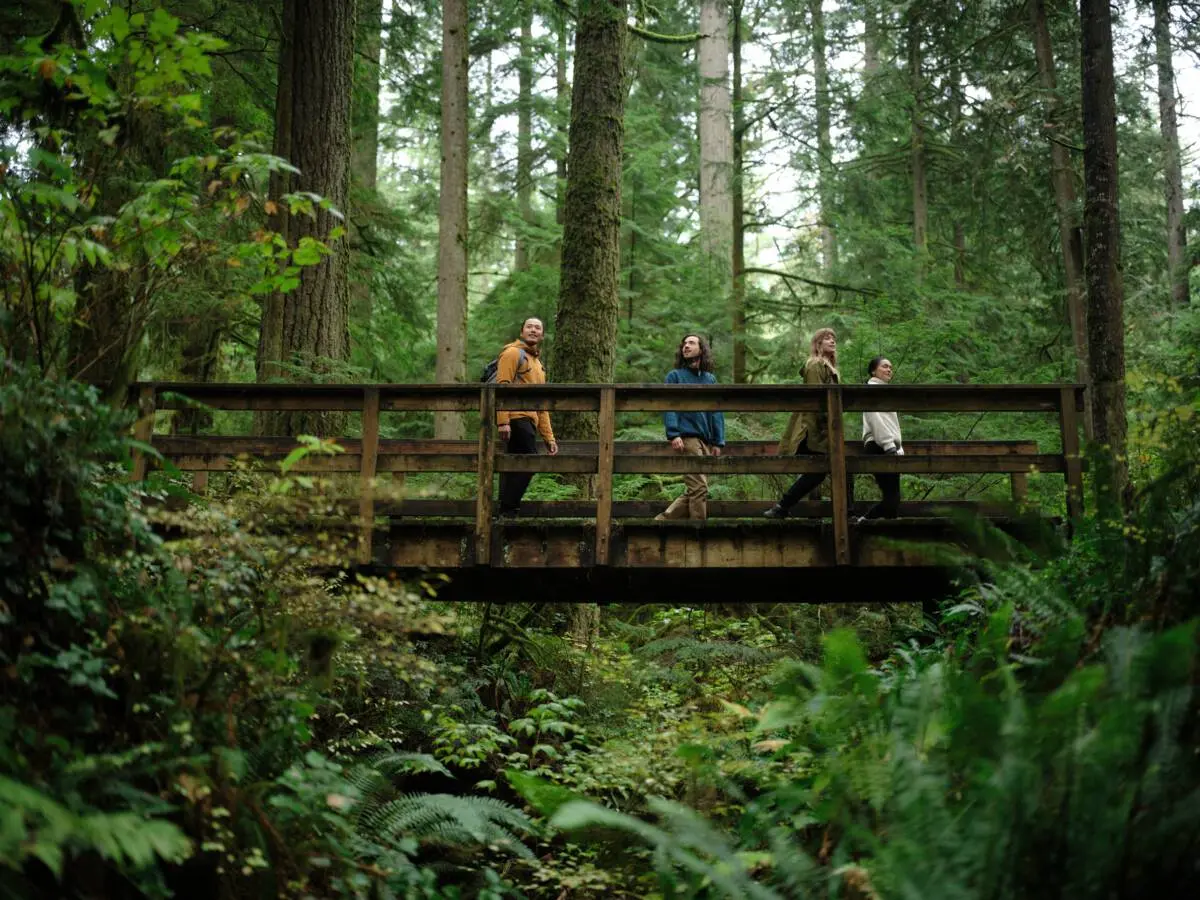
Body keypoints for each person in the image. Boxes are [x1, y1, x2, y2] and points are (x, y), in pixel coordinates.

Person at [764, 327, 841, 518]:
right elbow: (816, 399)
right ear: (818, 344)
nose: (832, 341)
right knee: (819, 471)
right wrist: (825, 426)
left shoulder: (829, 367)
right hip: (813, 428)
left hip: (824, 429)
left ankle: (784, 507)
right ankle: (784, 507)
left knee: (821, 470)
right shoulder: (815, 365)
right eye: (826, 338)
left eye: (833, 338)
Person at [655, 334, 725, 521]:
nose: (686, 346)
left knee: (696, 488)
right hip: (687, 438)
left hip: (706, 441)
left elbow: (716, 412)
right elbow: (669, 404)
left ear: (701, 350)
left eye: (691, 343)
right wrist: (673, 433)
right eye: (684, 344)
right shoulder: (675, 376)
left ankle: (662, 521)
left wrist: (718, 441)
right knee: (699, 488)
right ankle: (698, 532)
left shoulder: (709, 379)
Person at [495, 317, 558, 517]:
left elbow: (542, 404)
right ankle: (508, 510)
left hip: (530, 421)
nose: (533, 330)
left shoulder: (538, 364)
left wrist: (549, 437)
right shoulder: (512, 353)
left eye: (537, 327)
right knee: (529, 462)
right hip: (515, 418)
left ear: (542, 334)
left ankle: (505, 513)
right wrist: (503, 421)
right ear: (522, 332)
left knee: (514, 467)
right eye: (529, 327)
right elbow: (502, 386)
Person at [857, 356, 903, 521]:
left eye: (890, 367)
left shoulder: (884, 391)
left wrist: (899, 449)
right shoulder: (871, 390)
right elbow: (875, 419)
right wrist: (889, 445)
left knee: (894, 499)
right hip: (879, 446)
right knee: (892, 499)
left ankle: (887, 534)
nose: (889, 369)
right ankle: (865, 521)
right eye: (884, 366)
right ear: (873, 371)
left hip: (889, 447)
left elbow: (892, 425)